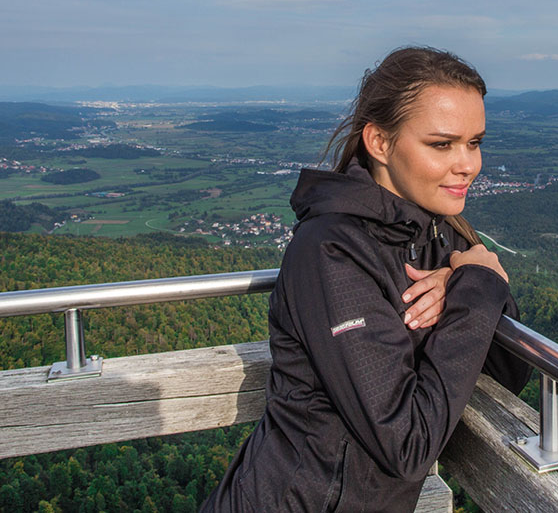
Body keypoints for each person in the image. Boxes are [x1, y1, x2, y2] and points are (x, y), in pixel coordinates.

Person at [200, 47, 531, 512]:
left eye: (474, 142)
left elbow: (507, 373)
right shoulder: (331, 251)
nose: (468, 164)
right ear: (379, 142)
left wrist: (471, 282)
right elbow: (407, 444)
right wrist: (475, 285)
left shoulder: (438, 233)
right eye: (442, 144)